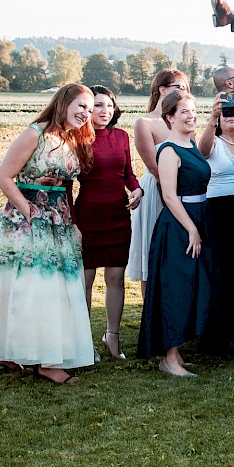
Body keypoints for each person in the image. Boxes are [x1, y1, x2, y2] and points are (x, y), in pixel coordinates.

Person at [0, 84, 96, 383]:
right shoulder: (35, 133)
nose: (85, 113)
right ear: (63, 103)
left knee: (53, 290)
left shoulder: (71, 138)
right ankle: (34, 359)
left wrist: (71, 222)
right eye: (81, 106)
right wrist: (30, 212)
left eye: (89, 110)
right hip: (26, 221)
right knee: (26, 288)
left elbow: (66, 187)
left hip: (59, 222)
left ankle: (44, 355)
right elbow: (3, 176)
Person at [136, 90, 216, 377]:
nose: (191, 115)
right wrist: (192, 229)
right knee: (175, 288)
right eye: (184, 111)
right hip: (179, 226)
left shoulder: (191, 144)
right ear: (169, 117)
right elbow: (169, 196)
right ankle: (168, 358)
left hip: (199, 219)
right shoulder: (168, 150)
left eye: (193, 110)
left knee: (192, 285)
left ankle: (176, 352)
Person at [74, 85, 142, 360]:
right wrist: (73, 222)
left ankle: (112, 337)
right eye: (98, 106)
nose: (104, 111)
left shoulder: (122, 136)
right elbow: (67, 184)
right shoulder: (77, 139)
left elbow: (128, 173)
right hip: (88, 215)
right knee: (86, 280)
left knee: (115, 278)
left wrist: (137, 189)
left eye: (109, 106)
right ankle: (83, 341)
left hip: (118, 215)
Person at [198, 85, 234, 353]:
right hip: (219, 211)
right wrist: (212, 117)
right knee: (222, 271)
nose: (232, 118)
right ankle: (220, 334)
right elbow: (202, 150)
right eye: (227, 114)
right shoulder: (215, 142)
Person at [129, 69, 187, 296]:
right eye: (178, 86)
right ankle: (149, 316)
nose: (183, 91)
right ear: (162, 89)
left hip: (182, 192)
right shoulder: (145, 122)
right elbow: (153, 166)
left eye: (185, 88)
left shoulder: (181, 121)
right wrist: (171, 191)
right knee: (152, 256)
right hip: (156, 190)